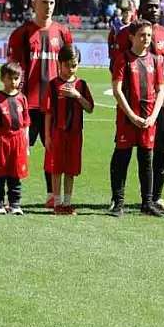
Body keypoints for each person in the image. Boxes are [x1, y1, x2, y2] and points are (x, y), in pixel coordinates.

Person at [6, 0, 74, 208]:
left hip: (54, 106)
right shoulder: (21, 33)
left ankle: (51, 195)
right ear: (33, 4)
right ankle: (11, 198)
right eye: (43, 2)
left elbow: (69, 69)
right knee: (17, 150)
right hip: (26, 104)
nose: (48, 6)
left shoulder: (63, 34)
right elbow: (13, 70)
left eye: (52, 2)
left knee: (52, 151)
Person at [109, 0, 164, 213]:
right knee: (122, 156)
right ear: (132, 36)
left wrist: (153, 116)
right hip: (129, 116)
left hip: (149, 117)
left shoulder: (156, 60)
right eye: (142, 35)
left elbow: (161, 87)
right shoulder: (123, 59)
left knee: (146, 160)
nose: (147, 38)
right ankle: (118, 202)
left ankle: (148, 203)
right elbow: (117, 89)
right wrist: (132, 115)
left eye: (149, 35)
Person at [44, 46, 94, 215]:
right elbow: (48, 112)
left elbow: (90, 108)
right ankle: (57, 203)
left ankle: (67, 203)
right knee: (57, 169)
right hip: (58, 133)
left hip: (75, 133)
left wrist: (77, 95)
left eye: (74, 65)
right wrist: (47, 135)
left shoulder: (81, 85)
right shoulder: (53, 85)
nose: (70, 69)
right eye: (67, 65)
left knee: (71, 170)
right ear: (60, 64)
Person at [0, 63, 31, 216]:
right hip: (1, 141)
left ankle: (15, 204)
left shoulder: (22, 98)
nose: (14, 82)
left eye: (17, 78)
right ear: (2, 79)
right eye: (10, 78)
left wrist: (26, 145)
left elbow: (26, 124)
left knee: (15, 175)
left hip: (18, 141)